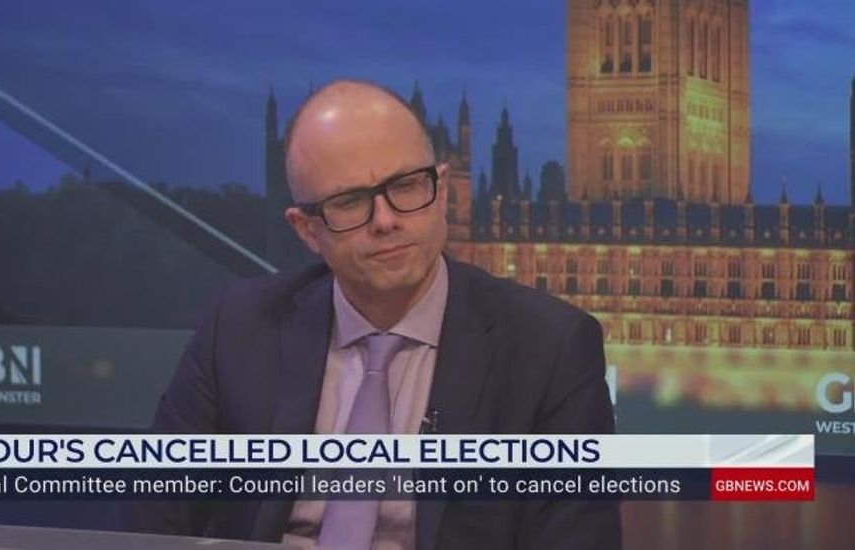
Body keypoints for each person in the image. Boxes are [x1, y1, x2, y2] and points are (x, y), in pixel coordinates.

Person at [126, 80, 620, 549]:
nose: (386, 220)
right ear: (307, 230)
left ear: (442, 189)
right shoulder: (237, 327)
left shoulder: (551, 349)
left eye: (406, 187)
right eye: (350, 202)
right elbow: (152, 522)